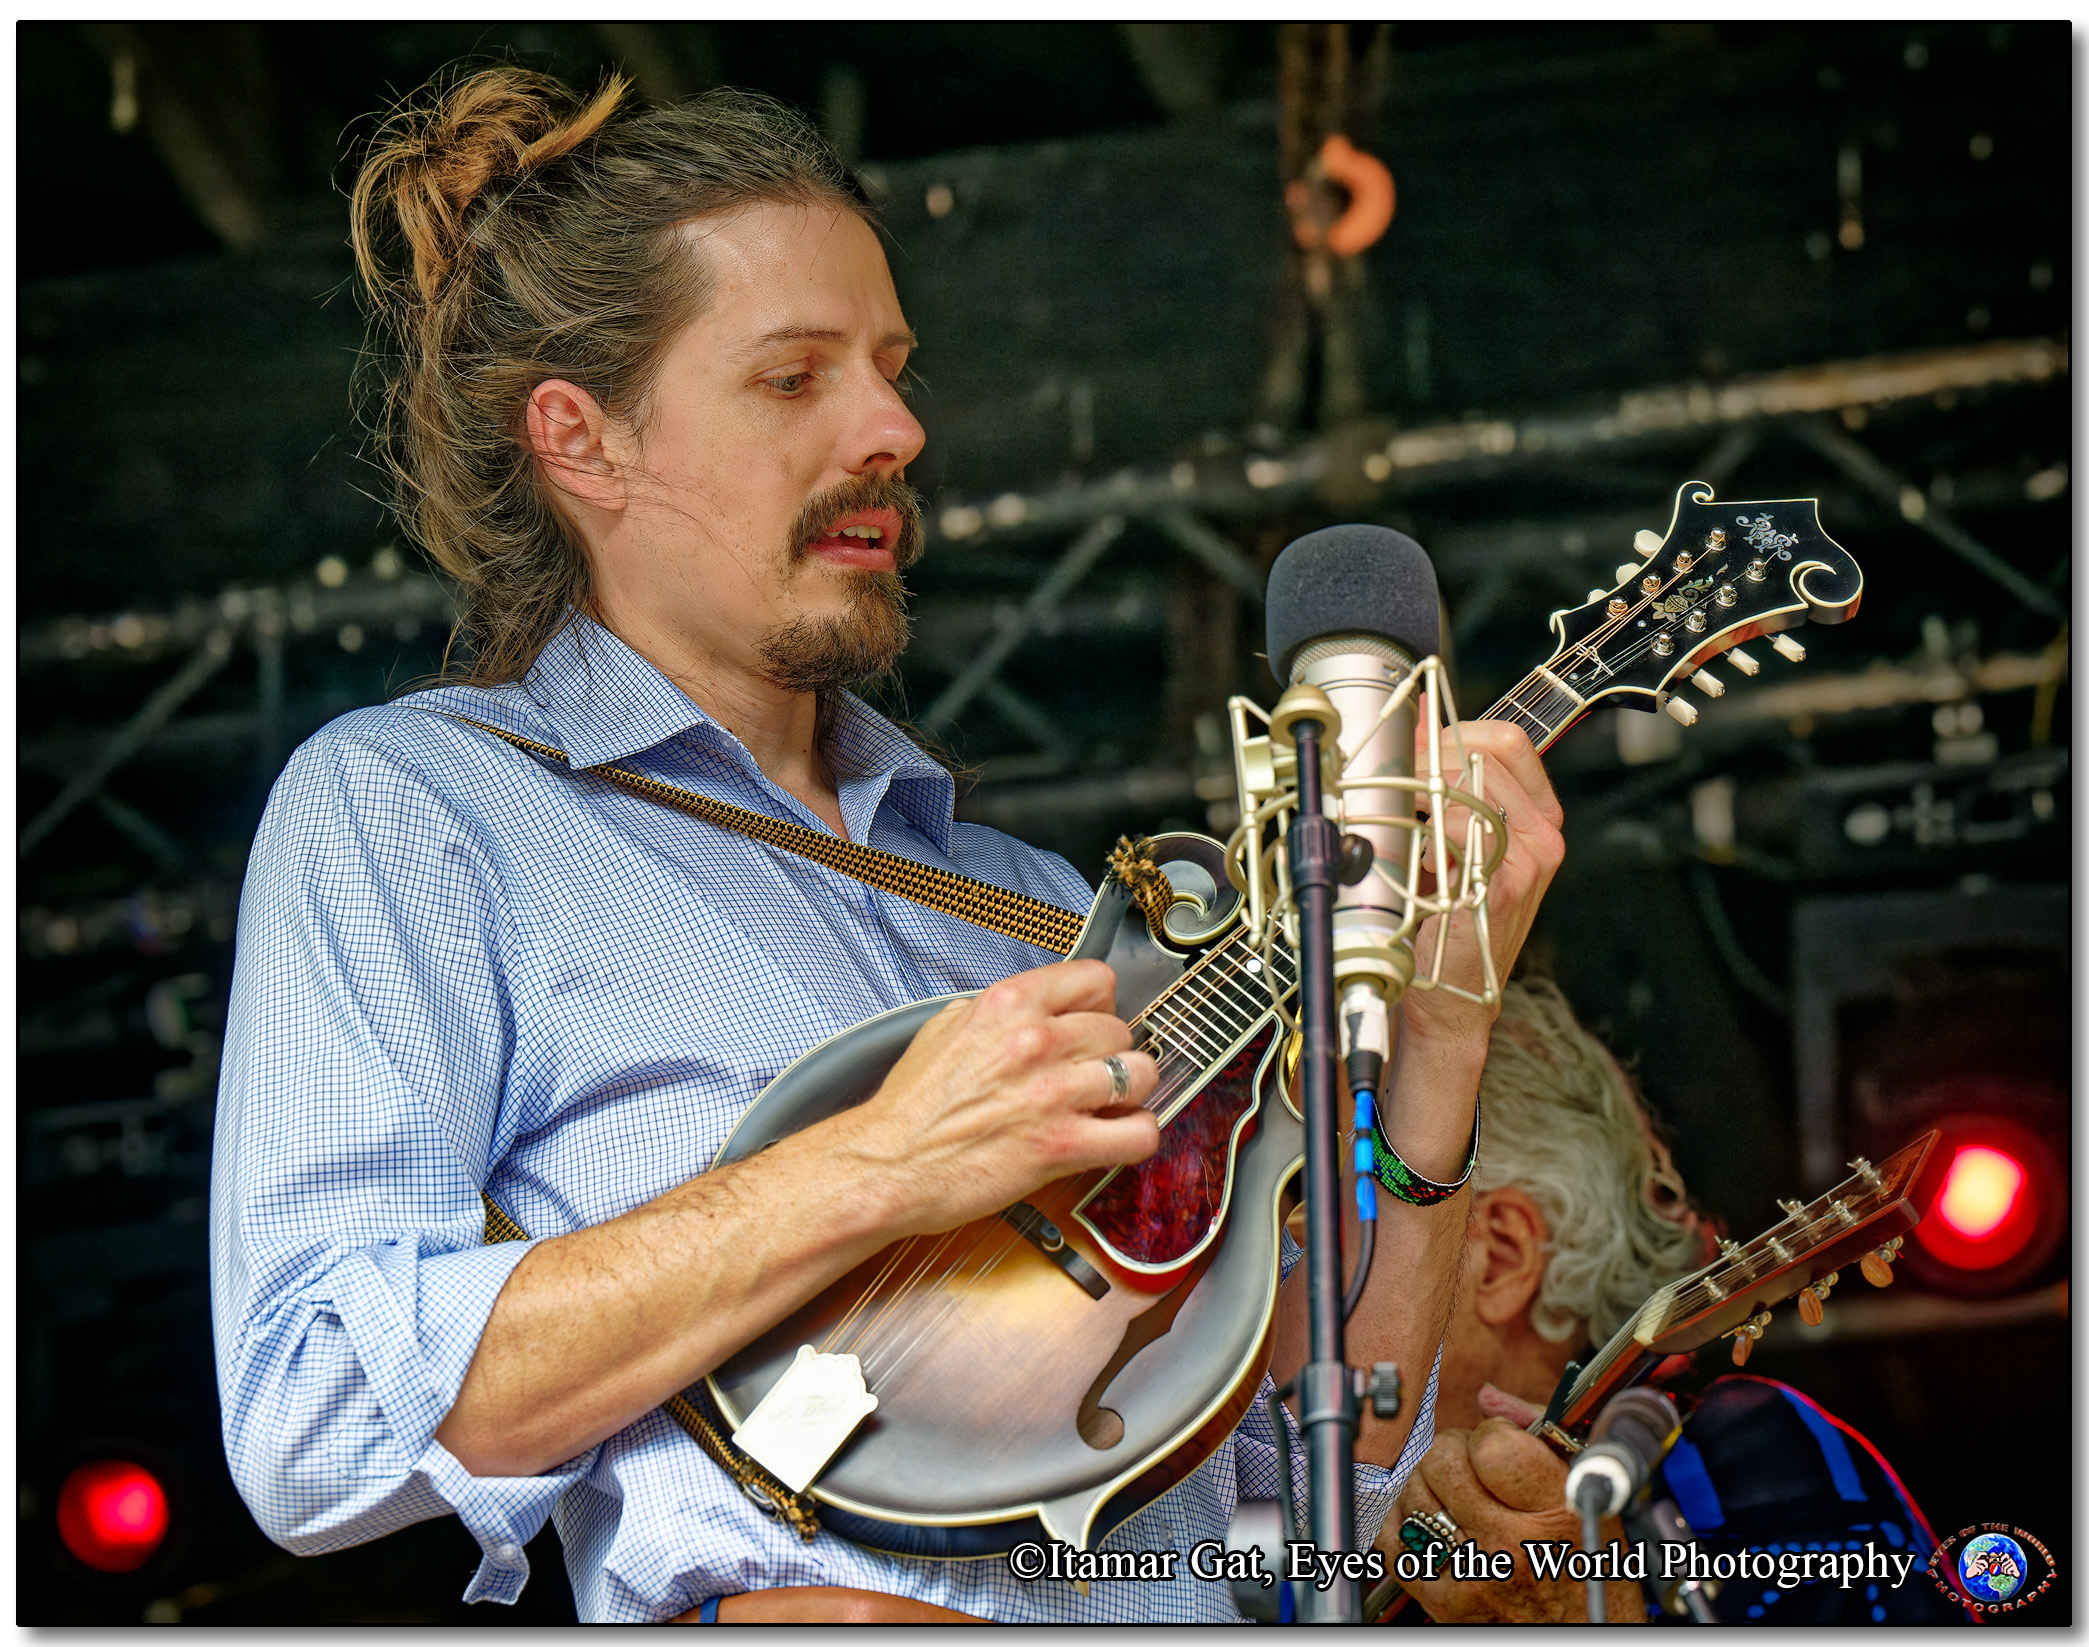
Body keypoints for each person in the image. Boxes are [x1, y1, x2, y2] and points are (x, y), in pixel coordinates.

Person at [207, 67, 1565, 1624]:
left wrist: (1443, 1028)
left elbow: (1314, 1498)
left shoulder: (1043, 908)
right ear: (583, 441)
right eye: (794, 377)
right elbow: (313, 1416)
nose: (896, 427)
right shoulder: (424, 808)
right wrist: (876, 1161)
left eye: (894, 370)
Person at [1377, 979, 1965, 1624]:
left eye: (1309, 1216)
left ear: (1501, 1256)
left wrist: (1579, 1614)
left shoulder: (1745, 1471)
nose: (1295, 1261)